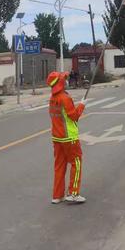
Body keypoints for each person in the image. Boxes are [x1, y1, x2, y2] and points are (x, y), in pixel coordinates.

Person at [46, 70, 86, 204]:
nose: (66, 80)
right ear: (61, 82)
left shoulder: (52, 99)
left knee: (59, 166)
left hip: (57, 138)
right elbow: (74, 116)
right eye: (64, 79)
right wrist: (81, 105)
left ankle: (57, 195)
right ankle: (73, 193)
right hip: (69, 138)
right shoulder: (65, 98)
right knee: (77, 163)